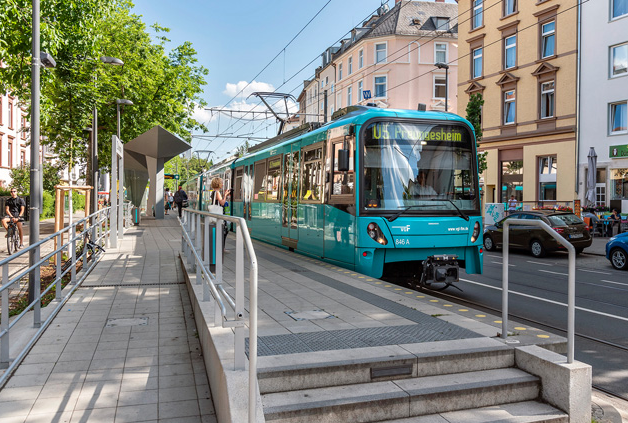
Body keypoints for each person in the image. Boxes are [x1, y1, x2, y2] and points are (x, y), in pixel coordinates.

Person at [210, 178, 232, 247]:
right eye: (221, 183)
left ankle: (220, 247)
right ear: (218, 184)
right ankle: (222, 247)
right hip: (218, 213)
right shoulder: (217, 192)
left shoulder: (213, 192)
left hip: (215, 212)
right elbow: (222, 203)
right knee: (224, 230)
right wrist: (225, 195)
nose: (222, 184)